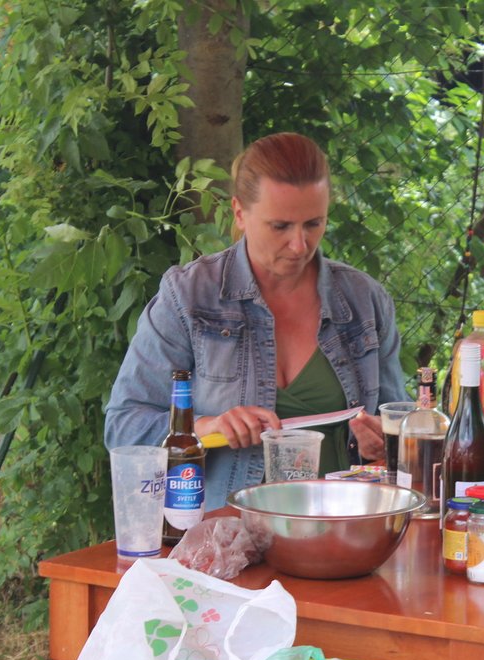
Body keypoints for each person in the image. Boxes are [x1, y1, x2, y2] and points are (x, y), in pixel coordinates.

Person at [105, 132, 408, 508]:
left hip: (342, 524)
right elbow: (123, 426)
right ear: (239, 213)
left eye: (313, 224)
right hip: (223, 529)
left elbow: (400, 427)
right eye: (280, 226)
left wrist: (385, 444)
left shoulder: (365, 301)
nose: (299, 244)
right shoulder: (189, 296)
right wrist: (205, 427)